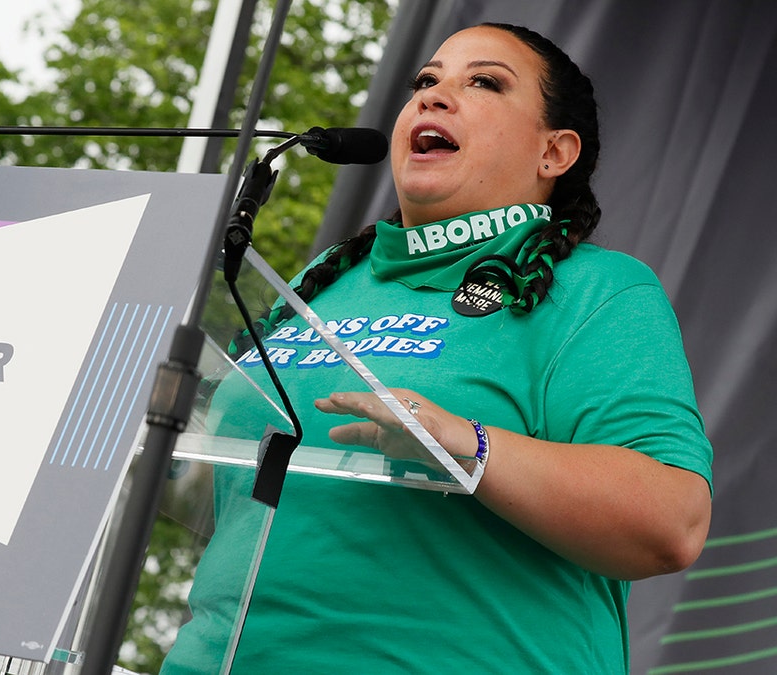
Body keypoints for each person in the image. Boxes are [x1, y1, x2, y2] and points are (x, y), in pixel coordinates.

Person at [160, 22, 713, 673]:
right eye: (425, 80)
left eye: (483, 82)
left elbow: (670, 521)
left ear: (554, 152)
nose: (434, 96)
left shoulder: (596, 288)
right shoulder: (320, 285)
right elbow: (204, 482)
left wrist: (468, 444)